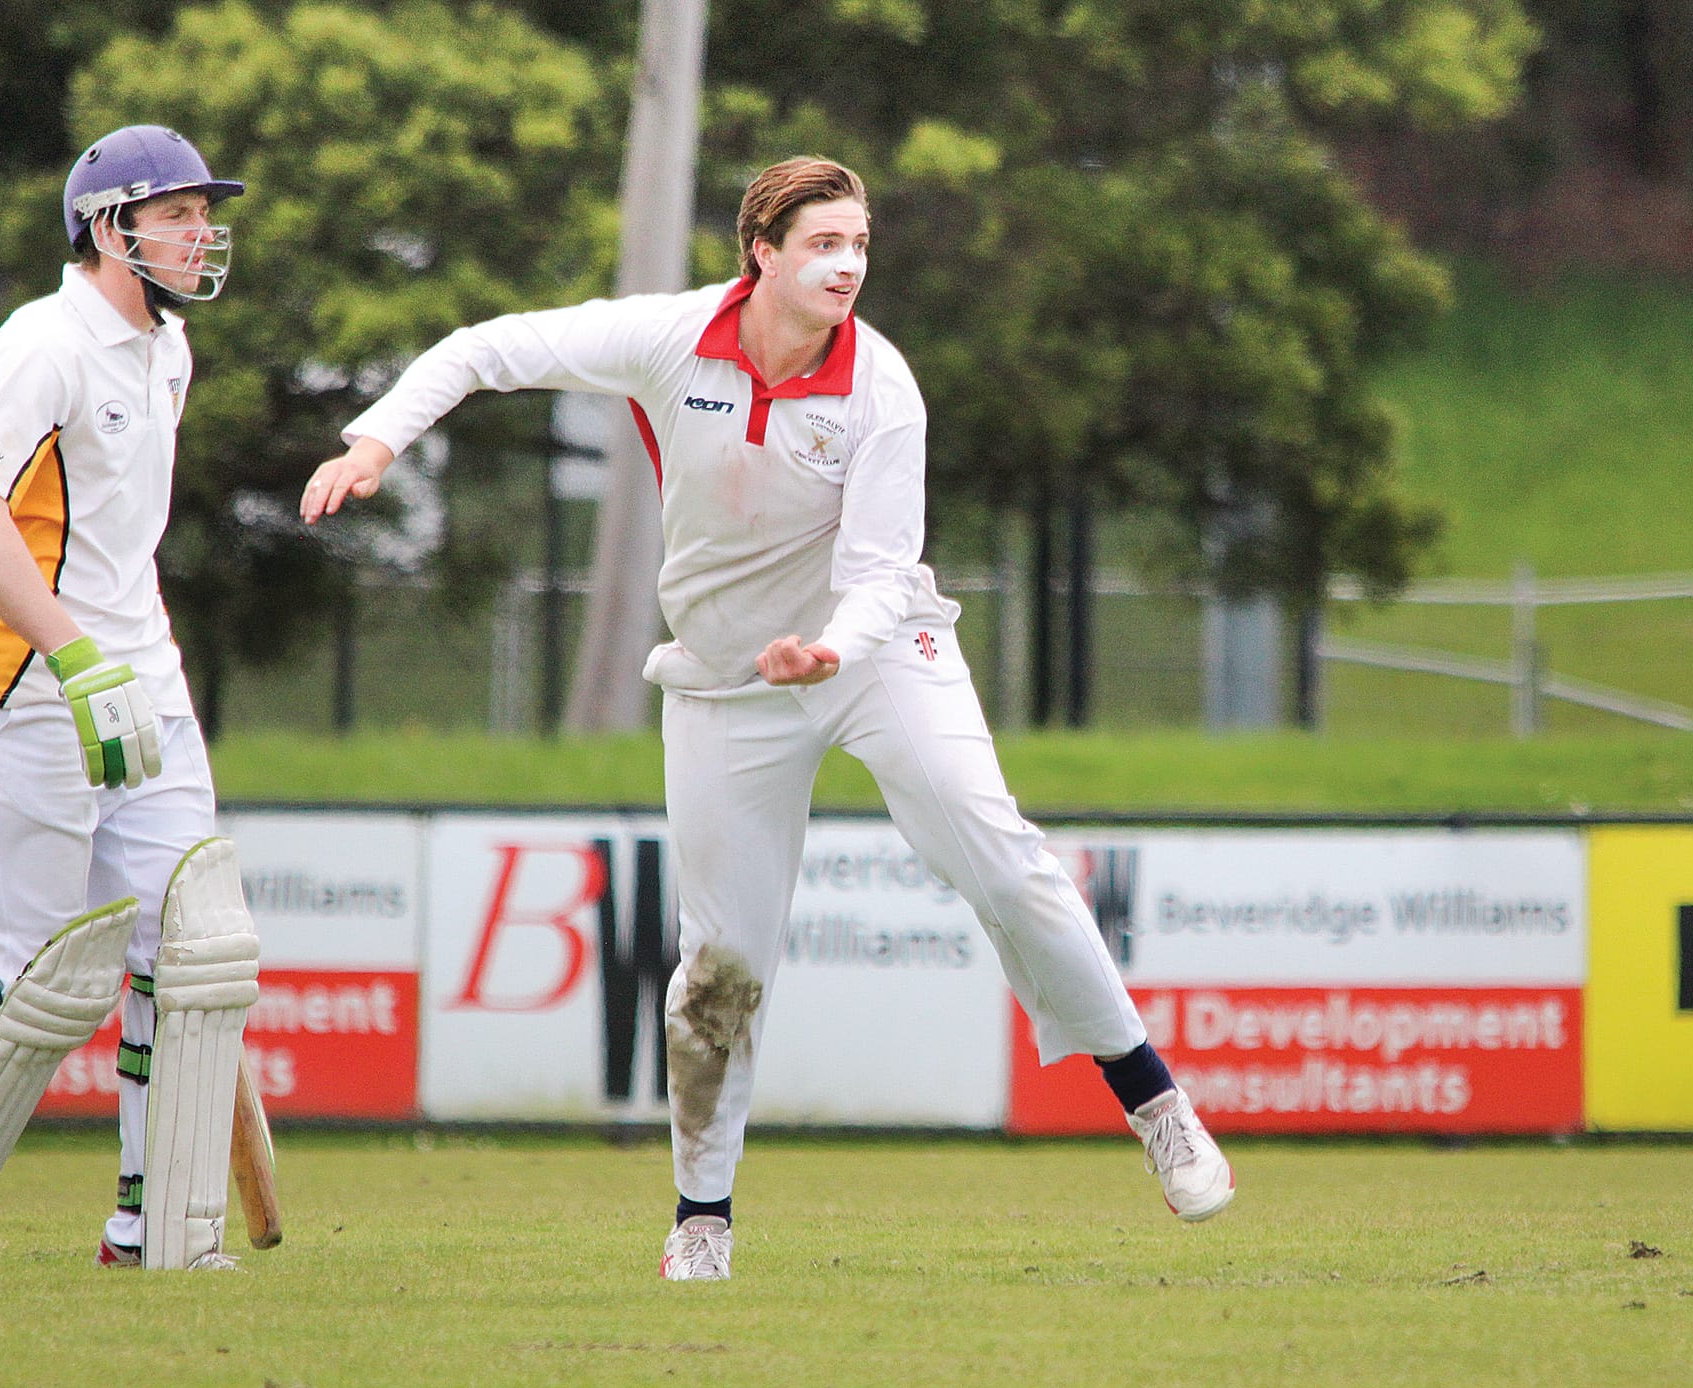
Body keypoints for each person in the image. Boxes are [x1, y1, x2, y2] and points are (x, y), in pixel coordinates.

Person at [301, 155, 1233, 1281]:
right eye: (822, 245)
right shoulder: (670, 338)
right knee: (721, 963)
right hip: (725, 677)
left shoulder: (881, 386)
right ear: (761, 254)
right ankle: (702, 1219)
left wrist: (830, 648)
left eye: (859, 245)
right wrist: (377, 438)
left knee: (998, 852)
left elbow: (884, 572)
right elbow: (486, 349)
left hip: (872, 650)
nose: (846, 266)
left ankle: (1153, 1101)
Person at [0, 126, 257, 1271]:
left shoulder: (166, 351)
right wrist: (77, 660)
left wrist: (125, 664)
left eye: (201, 212)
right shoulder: (42, 343)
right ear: (109, 227)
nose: (198, 231)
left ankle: (150, 1226)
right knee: (32, 974)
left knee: (192, 948)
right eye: (174, 212)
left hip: (147, 679)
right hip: (31, 683)